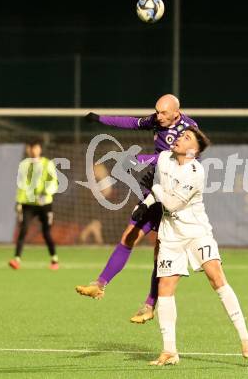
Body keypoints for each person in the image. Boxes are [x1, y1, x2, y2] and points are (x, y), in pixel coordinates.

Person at [131, 126, 248, 366]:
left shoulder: (196, 172)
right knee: (165, 285)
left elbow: (172, 203)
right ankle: (169, 351)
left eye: (186, 138)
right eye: (181, 135)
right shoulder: (165, 159)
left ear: (193, 152)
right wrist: (144, 204)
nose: (179, 138)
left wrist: (154, 193)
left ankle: (244, 336)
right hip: (170, 235)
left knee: (216, 277)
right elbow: (156, 187)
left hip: (196, 232)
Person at [75, 94, 198, 324]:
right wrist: (100, 118)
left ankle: (150, 305)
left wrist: (142, 158)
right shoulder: (156, 120)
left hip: (174, 196)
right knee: (128, 236)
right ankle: (99, 285)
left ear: (176, 112)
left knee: (160, 253)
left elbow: (177, 157)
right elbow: (131, 122)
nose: (157, 116)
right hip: (155, 188)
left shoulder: (189, 129)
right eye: (157, 111)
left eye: (163, 113)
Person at [9, 139, 59, 270]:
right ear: (27, 149)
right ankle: (16, 259)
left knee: (46, 232)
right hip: (28, 204)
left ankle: (54, 259)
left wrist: (46, 192)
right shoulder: (24, 165)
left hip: (44, 204)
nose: (33, 150)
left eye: (36, 147)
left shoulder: (47, 164)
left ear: (40, 149)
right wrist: (18, 202)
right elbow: (21, 185)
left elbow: (54, 182)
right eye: (31, 148)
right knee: (23, 229)